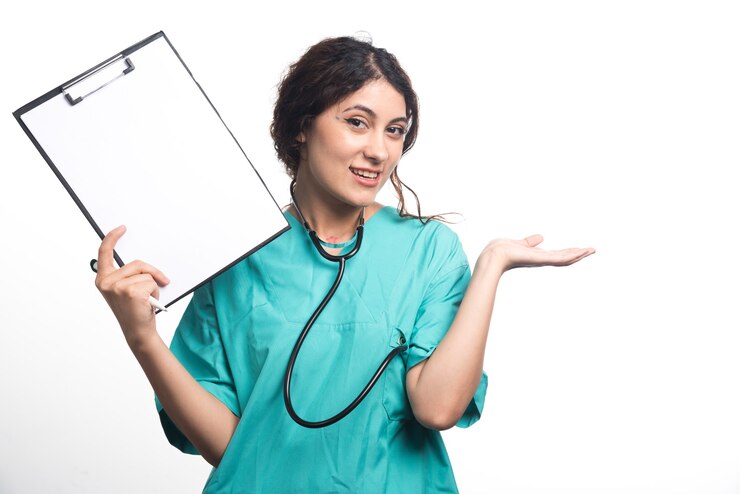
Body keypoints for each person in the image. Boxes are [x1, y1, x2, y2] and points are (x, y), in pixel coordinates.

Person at [95, 36, 594, 493]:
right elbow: (232, 446)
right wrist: (143, 340)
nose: (378, 150)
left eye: (394, 131)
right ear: (301, 129)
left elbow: (438, 407)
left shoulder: (429, 251)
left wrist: (491, 267)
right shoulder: (235, 255)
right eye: (357, 122)